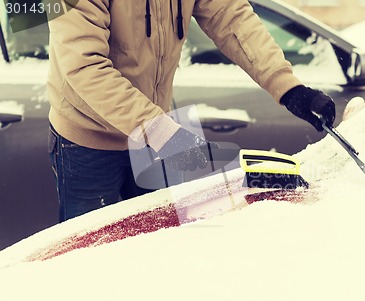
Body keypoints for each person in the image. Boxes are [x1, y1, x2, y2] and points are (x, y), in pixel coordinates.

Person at [47, 0, 338, 222]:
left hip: (155, 131)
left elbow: (231, 16)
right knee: (87, 261)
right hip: (88, 141)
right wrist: (165, 134)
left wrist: (287, 87)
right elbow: (84, 65)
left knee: (164, 250)